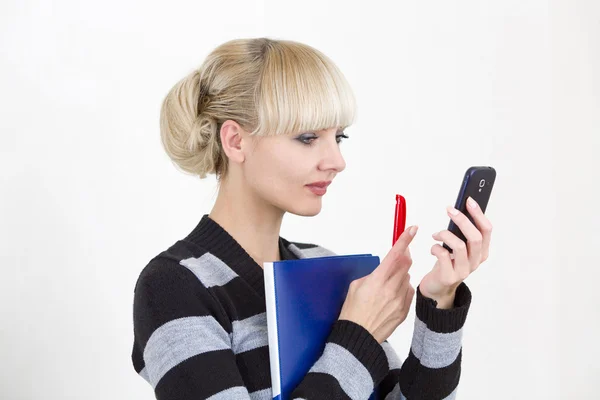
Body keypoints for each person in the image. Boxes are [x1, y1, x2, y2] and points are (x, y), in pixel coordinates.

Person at [131, 37, 493, 400]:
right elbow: (353, 353)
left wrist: (441, 301)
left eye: (339, 137)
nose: (336, 161)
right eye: (307, 138)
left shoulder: (321, 265)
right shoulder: (173, 287)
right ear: (236, 142)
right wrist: (359, 334)